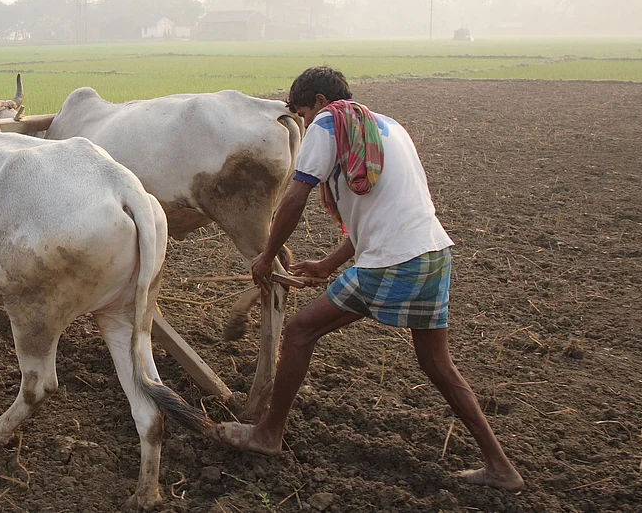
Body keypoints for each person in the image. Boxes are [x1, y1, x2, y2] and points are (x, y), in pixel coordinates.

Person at [217, 66, 524, 492]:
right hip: (432, 253)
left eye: (303, 114)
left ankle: (268, 433)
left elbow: (295, 195)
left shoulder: (329, 122)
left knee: (302, 330)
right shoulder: (389, 127)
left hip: (392, 263)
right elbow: (384, 212)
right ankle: (501, 468)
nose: (305, 124)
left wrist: (267, 255)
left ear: (320, 102)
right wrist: (327, 264)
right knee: (438, 365)